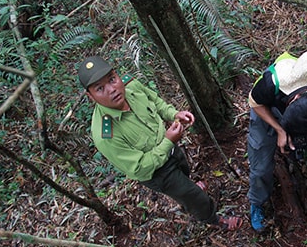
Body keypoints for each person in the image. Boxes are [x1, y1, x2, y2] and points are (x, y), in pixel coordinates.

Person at [78, 56, 242, 230]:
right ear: (91, 96)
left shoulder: (131, 86)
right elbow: (139, 167)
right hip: (156, 172)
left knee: (184, 169)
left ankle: (186, 192)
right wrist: (168, 141)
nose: (112, 89)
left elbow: (155, 101)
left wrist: (173, 114)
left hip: (170, 147)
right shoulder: (106, 134)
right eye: (100, 88)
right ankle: (213, 219)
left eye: (112, 79)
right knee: (193, 195)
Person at [247, 49, 307, 232]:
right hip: (267, 109)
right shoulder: (272, 82)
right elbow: (254, 102)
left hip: (300, 115)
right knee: (261, 167)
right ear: (294, 97)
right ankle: (257, 203)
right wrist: (280, 130)